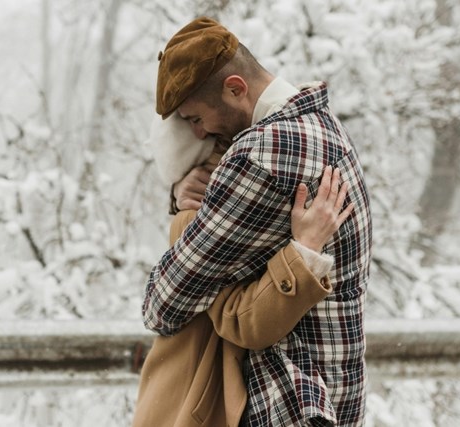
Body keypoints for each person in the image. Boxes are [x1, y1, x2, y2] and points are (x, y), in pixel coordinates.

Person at [143, 17, 372, 427]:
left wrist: (184, 211)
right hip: (332, 394)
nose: (198, 135)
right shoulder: (321, 125)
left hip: (287, 403)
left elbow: (163, 306)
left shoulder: (263, 154)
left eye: (195, 118)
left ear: (235, 88)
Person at [134, 116, 353, 427]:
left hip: (177, 401)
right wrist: (305, 249)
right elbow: (244, 322)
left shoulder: (197, 213)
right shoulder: (200, 222)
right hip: (192, 408)